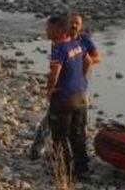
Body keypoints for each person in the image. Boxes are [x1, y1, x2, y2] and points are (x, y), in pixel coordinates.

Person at [30, 13, 99, 161]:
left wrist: (78, 75)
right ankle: (78, 166)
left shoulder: (79, 41)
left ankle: (66, 168)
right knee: (59, 125)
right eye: (72, 22)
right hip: (76, 91)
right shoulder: (63, 42)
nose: (74, 26)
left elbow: (94, 59)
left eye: (77, 23)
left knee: (65, 133)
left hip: (71, 93)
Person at [44, 9, 93, 178]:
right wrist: (82, 80)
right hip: (80, 96)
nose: (46, 31)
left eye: (48, 28)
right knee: (78, 133)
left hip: (64, 99)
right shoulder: (78, 44)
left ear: (59, 30)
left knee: (59, 136)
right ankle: (82, 168)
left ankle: (63, 170)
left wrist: (49, 91)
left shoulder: (59, 48)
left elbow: (54, 73)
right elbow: (89, 61)